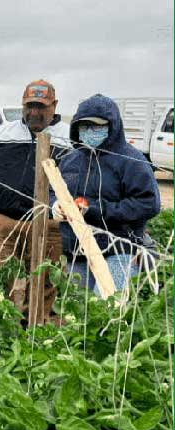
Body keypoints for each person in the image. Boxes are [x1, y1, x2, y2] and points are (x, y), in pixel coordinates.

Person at [0, 79, 70, 322]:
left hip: (47, 225)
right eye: (30, 106)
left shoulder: (68, 138)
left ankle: (34, 328)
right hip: (0, 222)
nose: (34, 112)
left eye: (41, 106)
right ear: (22, 105)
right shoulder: (4, 133)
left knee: (44, 280)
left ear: (54, 106)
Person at [51, 94, 160, 295]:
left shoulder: (131, 160)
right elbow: (53, 189)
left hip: (118, 251)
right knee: (78, 310)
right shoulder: (71, 160)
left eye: (97, 127)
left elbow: (149, 203)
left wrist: (95, 209)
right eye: (84, 127)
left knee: (107, 308)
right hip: (77, 249)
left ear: (113, 126)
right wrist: (56, 204)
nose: (89, 132)